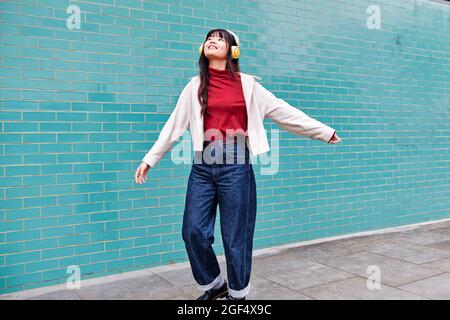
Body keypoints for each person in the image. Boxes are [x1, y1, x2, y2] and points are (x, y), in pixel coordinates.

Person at [135, 28, 341, 300]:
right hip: (202, 166)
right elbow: (173, 125)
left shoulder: (249, 86)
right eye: (209, 38)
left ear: (233, 50)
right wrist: (151, 158)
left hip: (236, 166)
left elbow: (283, 111)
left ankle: (237, 294)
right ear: (202, 49)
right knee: (193, 231)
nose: (212, 40)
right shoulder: (194, 86)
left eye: (220, 38)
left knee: (235, 237)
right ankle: (213, 284)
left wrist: (322, 131)